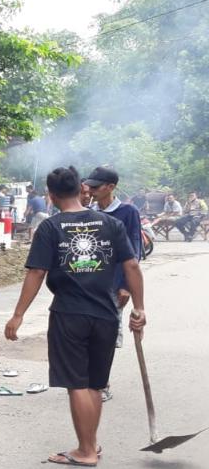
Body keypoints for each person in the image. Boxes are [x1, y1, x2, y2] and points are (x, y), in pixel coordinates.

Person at [4, 167, 146, 467]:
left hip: (70, 314)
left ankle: (85, 451)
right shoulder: (110, 223)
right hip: (107, 313)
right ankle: (91, 444)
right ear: (81, 189)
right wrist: (139, 307)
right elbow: (132, 265)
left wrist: (18, 315)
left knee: (77, 383)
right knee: (95, 383)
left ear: (51, 195)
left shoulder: (51, 228)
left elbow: (37, 272)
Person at [80, 165, 145, 400]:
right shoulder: (88, 212)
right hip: (88, 285)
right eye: (90, 186)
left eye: (96, 187)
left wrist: (127, 285)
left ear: (111, 187)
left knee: (105, 336)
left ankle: (101, 383)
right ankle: (89, 381)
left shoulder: (128, 213)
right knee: (87, 333)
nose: (91, 191)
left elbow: (134, 250)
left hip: (115, 285)